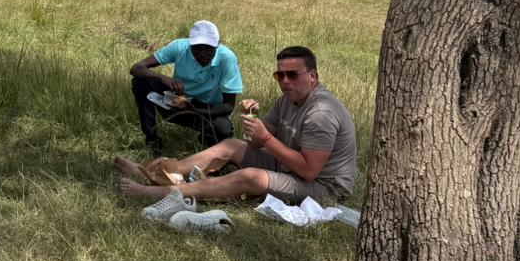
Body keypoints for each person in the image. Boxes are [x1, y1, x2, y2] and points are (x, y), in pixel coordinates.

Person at [116, 45, 358, 209]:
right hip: (290, 168)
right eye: (279, 75)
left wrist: (267, 140)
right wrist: (254, 121)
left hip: (324, 189)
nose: (284, 81)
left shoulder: (321, 114)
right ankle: (154, 173)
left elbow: (309, 171)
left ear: (312, 76)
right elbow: (253, 144)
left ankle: (157, 193)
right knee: (232, 145)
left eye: (292, 75)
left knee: (250, 177)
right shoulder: (287, 99)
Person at [129, 20, 243, 154]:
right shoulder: (180, 47)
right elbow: (137, 68)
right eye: (197, 48)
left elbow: (228, 106)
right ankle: (152, 140)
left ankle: (202, 146)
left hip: (207, 110)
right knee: (141, 82)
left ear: (217, 45)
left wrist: (195, 110)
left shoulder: (227, 58)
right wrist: (162, 78)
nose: (202, 53)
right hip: (176, 101)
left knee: (223, 129)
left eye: (208, 49)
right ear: (190, 44)